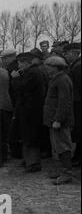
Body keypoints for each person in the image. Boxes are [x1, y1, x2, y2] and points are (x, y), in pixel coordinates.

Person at [11, 53, 46, 173]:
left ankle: (33, 163)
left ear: (25, 62)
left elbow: (22, 88)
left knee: (31, 136)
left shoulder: (33, 73)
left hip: (31, 110)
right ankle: (28, 161)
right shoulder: (32, 72)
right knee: (27, 136)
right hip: (30, 109)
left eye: (20, 63)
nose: (18, 66)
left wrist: (15, 78)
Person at [44, 56, 74, 185]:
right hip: (54, 120)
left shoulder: (62, 80)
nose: (47, 69)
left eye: (49, 66)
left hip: (60, 121)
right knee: (58, 146)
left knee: (63, 146)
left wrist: (58, 119)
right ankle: (62, 170)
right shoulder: (57, 79)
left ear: (55, 68)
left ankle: (67, 173)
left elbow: (64, 103)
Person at [0, 49, 21, 159]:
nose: (2, 61)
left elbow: (11, 87)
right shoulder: (17, 66)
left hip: (12, 101)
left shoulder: (11, 69)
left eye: (3, 59)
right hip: (16, 101)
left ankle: (15, 151)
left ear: (8, 58)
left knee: (12, 127)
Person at [64, 43, 81, 167]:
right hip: (76, 101)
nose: (66, 55)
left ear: (75, 53)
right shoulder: (74, 65)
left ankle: (78, 157)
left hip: (78, 103)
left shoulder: (78, 67)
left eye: (67, 53)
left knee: (79, 131)